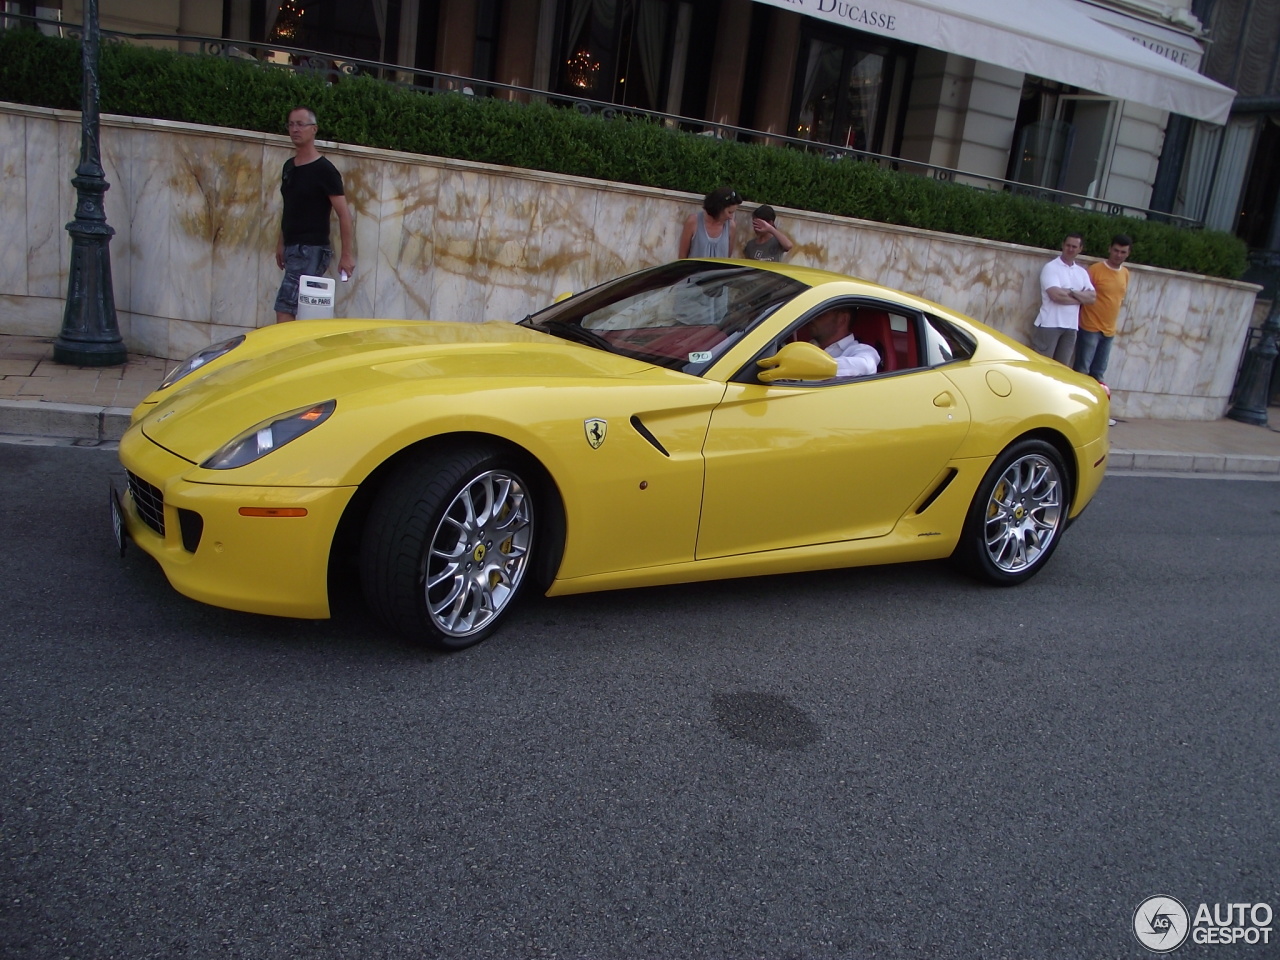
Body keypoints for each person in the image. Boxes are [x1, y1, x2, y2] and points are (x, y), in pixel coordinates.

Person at [274, 106, 355, 323]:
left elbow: (344, 214)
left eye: (300, 124)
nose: (294, 129)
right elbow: (289, 207)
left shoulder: (324, 170)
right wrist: (281, 242)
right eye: (291, 124)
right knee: (295, 306)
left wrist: (347, 254)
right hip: (293, 248)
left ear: (314, 129)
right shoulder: (289, 167)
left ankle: (286, 355)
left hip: (311, 249)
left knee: (285, 305)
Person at [1074, 234, 1132, 384]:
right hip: (1090, 327)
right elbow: (1083, 295)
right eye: (1116, 250)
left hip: (1109, 331)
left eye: (1123, 252)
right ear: (1109, 249)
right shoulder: (1095, 270)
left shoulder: (1125, 273)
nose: (1118, 255)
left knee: (1098, 374)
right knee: (1082, 371)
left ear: (1128, 253)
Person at [1030, 233, 1095, 365]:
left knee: (1061, 370)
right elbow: (1056, 296)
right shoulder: (1051, 267)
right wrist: (1080, 296)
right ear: (1063, 245)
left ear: (1080, 249)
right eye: (1068, 245)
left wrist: (1070, 292)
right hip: (1050, 324)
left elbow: (1092, 297)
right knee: (1042, 366)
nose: (1070, 249)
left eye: (1074, 246)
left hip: (1071, 327)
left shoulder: (1081, 272)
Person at [807, 306, 880, 377]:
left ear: (842, 319)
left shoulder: (862, 350)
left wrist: (810, 367)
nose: (812, 318)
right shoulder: (807, 346)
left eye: (820, 314)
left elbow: (866, 365)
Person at [678, 186, 740, 259]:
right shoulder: (693, 221)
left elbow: (727, 257)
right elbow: (682, 256)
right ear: (718, 208)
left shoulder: (731, 226)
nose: (731, 217)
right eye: (729, 212)